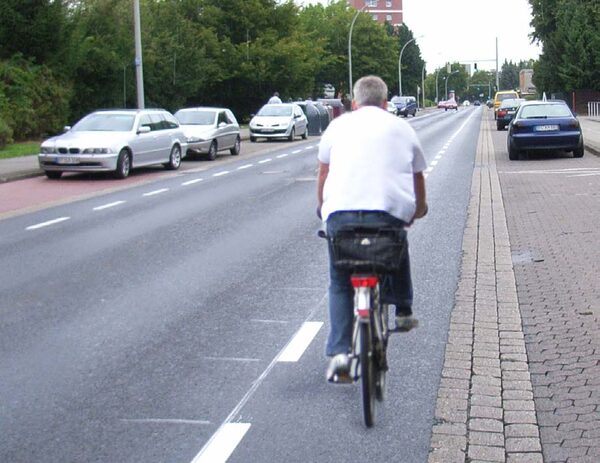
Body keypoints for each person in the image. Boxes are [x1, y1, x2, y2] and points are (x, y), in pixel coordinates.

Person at [316, 75, 428, 382]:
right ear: (385, 103)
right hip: (385, 216)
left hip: (340, 215)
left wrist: (322, 209)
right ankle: (403, 311)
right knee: (397, 243)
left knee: (340, 283)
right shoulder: (402, 127)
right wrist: (418, 208)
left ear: (354, 103)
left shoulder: (337, 126)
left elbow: (323, 173)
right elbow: (417, 175)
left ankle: (339, 354)